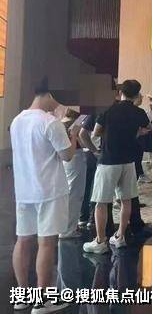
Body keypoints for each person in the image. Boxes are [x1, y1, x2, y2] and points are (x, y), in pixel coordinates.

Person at [11, 80, 79, 313]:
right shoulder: (50, 122)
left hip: (24, 190)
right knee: (47, 243)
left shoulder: (17, 120)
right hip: (49, 191)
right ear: (48, 94)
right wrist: (74, 136)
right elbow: (67, 155)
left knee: (23, 240)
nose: (58, 105)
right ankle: (42, 301)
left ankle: (22, 296)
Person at [83, 80, 151, 254]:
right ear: (137, 94)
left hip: (108, 160)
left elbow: (96, 132)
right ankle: (120, 236)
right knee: (126, 200)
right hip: (128, 161)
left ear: (121, 92)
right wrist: (135, 132)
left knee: (101, 201)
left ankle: (100, 241)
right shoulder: (138, 112)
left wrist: (103, 141)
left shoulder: (108, 110)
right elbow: (148, 127)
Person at [59, 109, 87, 240]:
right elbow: (78, 141)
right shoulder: (72, 124)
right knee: (75, 194)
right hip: (74, 157)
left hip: (67, 160)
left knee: (70, 192)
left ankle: (67, 226)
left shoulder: (61, 123)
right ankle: (68, 230)